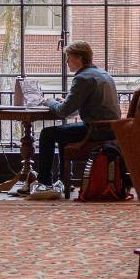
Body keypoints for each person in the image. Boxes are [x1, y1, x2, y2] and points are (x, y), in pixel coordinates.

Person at [24, 41, 121, 200]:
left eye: (68, 57)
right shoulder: (102, 74)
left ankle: (44, 182)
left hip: (95, 131)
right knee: (63, 135)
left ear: (78, 58)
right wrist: (66, 102)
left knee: (47, 134)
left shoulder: (82, 78)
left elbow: (63, 112)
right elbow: (79, 106)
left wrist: (50, 102)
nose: (66, 62)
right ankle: (64, 180)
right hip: (109, 129)